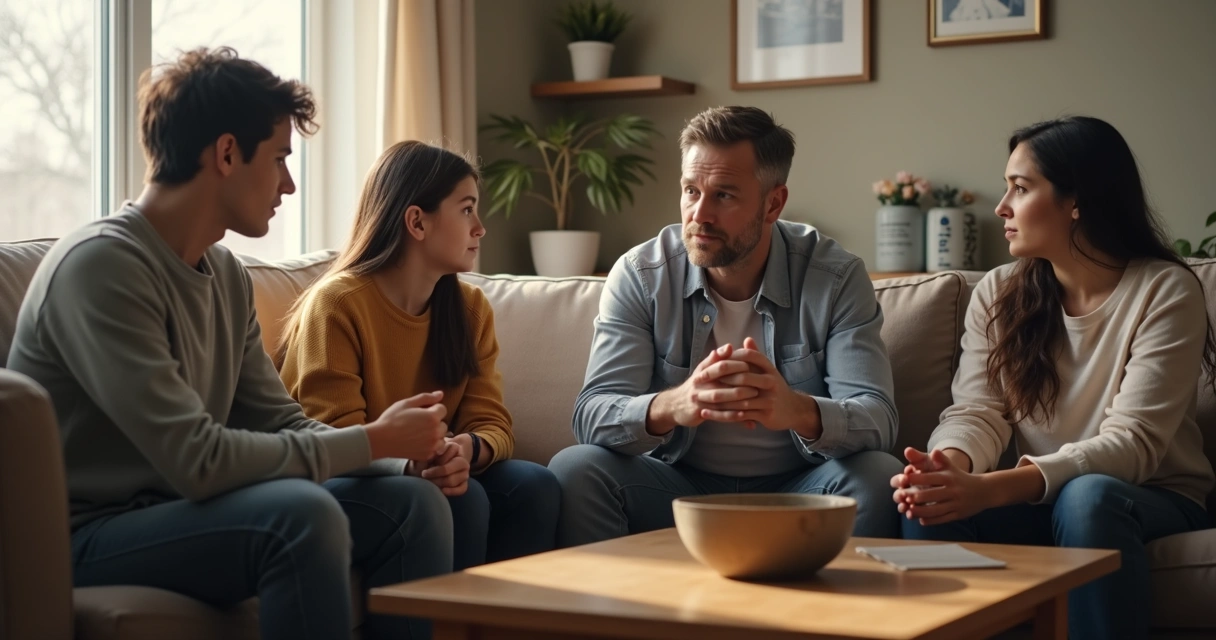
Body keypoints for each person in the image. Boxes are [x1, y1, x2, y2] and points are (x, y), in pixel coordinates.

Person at [6, 47, 454, 640]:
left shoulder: (226, 274)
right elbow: (198, 461)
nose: (289, 184)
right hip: (85, 536)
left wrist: (398, 457)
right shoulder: (102, 268)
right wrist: (372, 438)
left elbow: (280, 423)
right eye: (278, 160)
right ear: (225, 153)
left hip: (181, 513)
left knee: (412, 505)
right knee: (301, 517)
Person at [892, 116, 1215, 640]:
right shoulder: (999, 291)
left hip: (1149, 496)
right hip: (1039, 499)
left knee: (1088, 497)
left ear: (1076, 201)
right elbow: (976, 411)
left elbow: (1133, 444)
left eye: (1020, 188)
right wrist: (945, 473)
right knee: (929, 507)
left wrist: (990, 489)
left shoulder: (1165, 291)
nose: (1001, 206)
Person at [548, 105, 904, 547]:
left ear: (773, 203)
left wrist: (795, 409)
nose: (699, 214)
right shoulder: (642, 273)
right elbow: (592, 414)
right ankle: (617, 616)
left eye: (724, 195)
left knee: (878, 477)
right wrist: (673, 405)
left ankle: (830, 617)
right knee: (576, 468)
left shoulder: (834, 277)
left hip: (803, 488)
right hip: (674, 488)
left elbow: (878, 419)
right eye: (690, 190)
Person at [278, 140, 561, 570]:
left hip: (420, 471)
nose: (480, 227)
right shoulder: (336, 304)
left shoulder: (470, 310)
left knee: (534, 485)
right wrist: (411, 464)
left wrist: (468, 448)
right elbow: (333, 435)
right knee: (458, 499)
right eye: (467, 209)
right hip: (344, 479)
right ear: (417, 222)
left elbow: (492, 421)